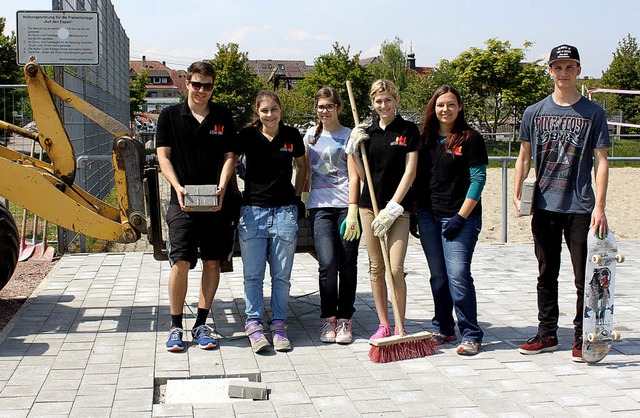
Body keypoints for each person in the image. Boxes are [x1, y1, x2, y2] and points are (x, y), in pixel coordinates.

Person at [513, 45, 610, 362]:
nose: (564, 72)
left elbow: (602, 161)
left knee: (584, 277)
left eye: (570, 67)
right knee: (546, 273)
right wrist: (517, 195)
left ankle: (583, 337)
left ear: (579, 70)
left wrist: (600, 206)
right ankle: (547, 333)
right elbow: (524, 157)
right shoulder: (534, 112)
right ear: (550, 71)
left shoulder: (593, 113)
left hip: (581, 207)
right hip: (543, 206)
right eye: (558, 67)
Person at [156, 61, 239, 352]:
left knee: (213, 261)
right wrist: (177, 187)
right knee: (181, 261)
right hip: (183, 201)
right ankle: (176, 325)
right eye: (196, 84)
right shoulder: (169, 116)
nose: (201, 90)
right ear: (186, 84)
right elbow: (163, 157)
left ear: (213, 87)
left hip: (217, 201)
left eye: (207, 85)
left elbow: (231, 155)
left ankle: (202, 323)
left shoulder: (223, 115)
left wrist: (222, 185)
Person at [414, 85, 488, 356]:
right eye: (440, 105)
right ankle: (444, 327)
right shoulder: (426, 139)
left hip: (459, 218)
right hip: (428, 216)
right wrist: (415, 213)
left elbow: (478, 180)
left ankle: (470, 332)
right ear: (433, 108)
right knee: (439, 277)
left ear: (459, 107)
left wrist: (461, 216)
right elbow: (418, 178)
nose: (445, 109)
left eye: (451, 104)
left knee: (458, 276)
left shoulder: (470, 138)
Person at [345, 79, 420, 339]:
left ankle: (401, 325)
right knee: (376, 267)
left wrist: (393, 207)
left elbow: (410, 172)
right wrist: (352, 149)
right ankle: (384, 323)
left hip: (398, 210)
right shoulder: (367, 133)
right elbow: (363, 175)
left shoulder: (409, 130)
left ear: (396, 100)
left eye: (388, 99)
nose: (383, 105)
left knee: (395, 269)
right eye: (378, 100)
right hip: (369, 208)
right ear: (372, 103)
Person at [236, 90, 308, 353]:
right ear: (258, 112)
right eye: (264, 110)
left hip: (284, 213)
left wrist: (298, 197)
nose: (270, 114)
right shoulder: (246, 136)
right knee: (253, 275)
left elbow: (302, 166)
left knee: (281, 276)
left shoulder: (291, 136)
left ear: (280, 110)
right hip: (253, 212)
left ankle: (278, 324)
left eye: (274, 109)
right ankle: (254, 324)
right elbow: (228, 162)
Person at [304, 87, 359, 345]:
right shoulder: (310, 137)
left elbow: (355, 175)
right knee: (327, 264)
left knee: (348, 263)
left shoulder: (349, 135)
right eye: (320, 107)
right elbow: (303, 172)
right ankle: (328, 318)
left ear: (338, 107)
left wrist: (353, 209)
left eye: (329, 106)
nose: (324, 111)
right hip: (319, 207)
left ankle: (345, 317)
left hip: (345, 207)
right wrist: (299, 200)